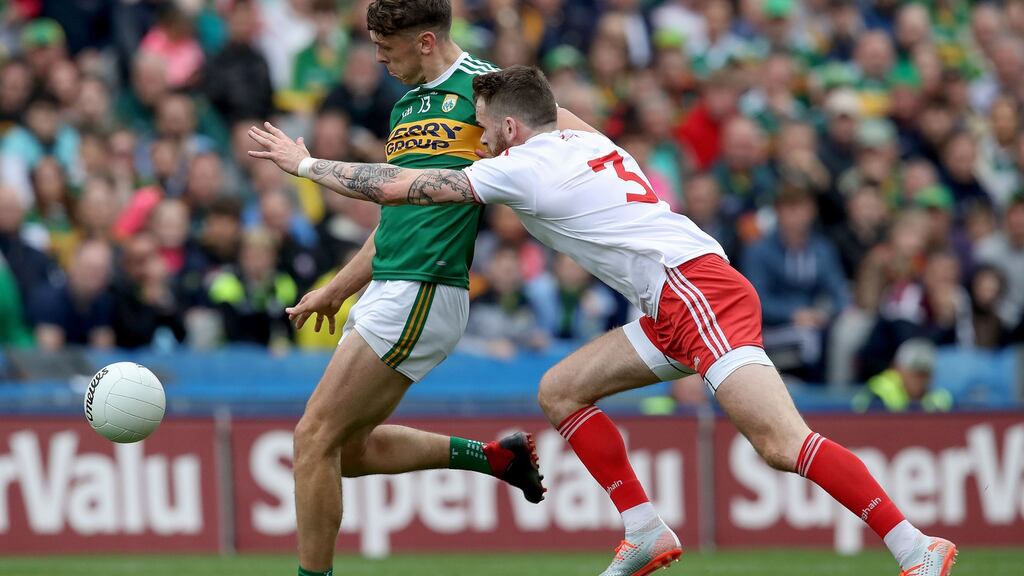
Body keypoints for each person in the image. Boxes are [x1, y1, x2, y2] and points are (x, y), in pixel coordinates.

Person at [250, 65, 957, 576]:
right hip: (672, 298)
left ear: (507, 125)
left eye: (482, 129)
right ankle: (644, 530)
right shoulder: (584, 141)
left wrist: (306, 164)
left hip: (695, 292)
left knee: (780, 442)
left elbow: (406, 188)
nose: (477, 142)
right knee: (560, 391)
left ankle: (914, 547)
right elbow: (543, 112)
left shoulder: (520, 165)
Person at [241, 3, 547, 574]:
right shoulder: (407, 105)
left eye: (387, 47)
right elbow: (394, 216)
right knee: (347, 452)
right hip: (389, 285)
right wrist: (338, 288)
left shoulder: (484, 92)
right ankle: (495, 458)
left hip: (426, 286)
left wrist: (307, 165)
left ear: (426, 41)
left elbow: (557, 134)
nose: (378, 58)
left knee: (312, 439)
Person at [852, 338, 952, 413]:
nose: (920, 380)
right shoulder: (879, 393)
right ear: (898, 369)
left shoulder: (939, 398)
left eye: (925, 374)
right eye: (915, 372)